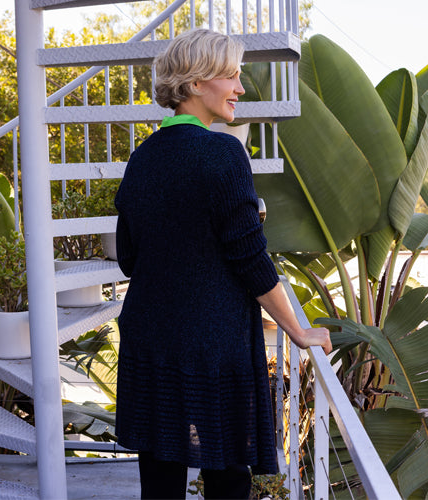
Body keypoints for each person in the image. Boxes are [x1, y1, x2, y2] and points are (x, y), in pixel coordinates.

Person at [114, 28, 332, 500]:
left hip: (149, 339)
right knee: (229, 478)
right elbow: (250, 259)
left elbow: (130, 258)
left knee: (160, 481)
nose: (240, 88)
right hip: (215, 346)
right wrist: (298, 330)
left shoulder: (141, 158)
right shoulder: (224, 153)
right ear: (195, 84)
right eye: (231, 76)